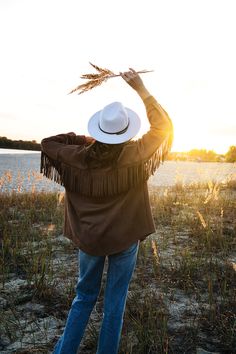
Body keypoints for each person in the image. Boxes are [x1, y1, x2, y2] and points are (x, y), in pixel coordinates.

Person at [40, 68, 173, 354]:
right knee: (115, 303)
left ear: (98, 130)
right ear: (126, 132)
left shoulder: (76, 159)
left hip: (89, 241)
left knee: (84, 297)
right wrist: (141, 89)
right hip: (124, 240)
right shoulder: (134, 156)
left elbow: (48, 143)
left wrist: (81, 139)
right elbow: (163, 127)